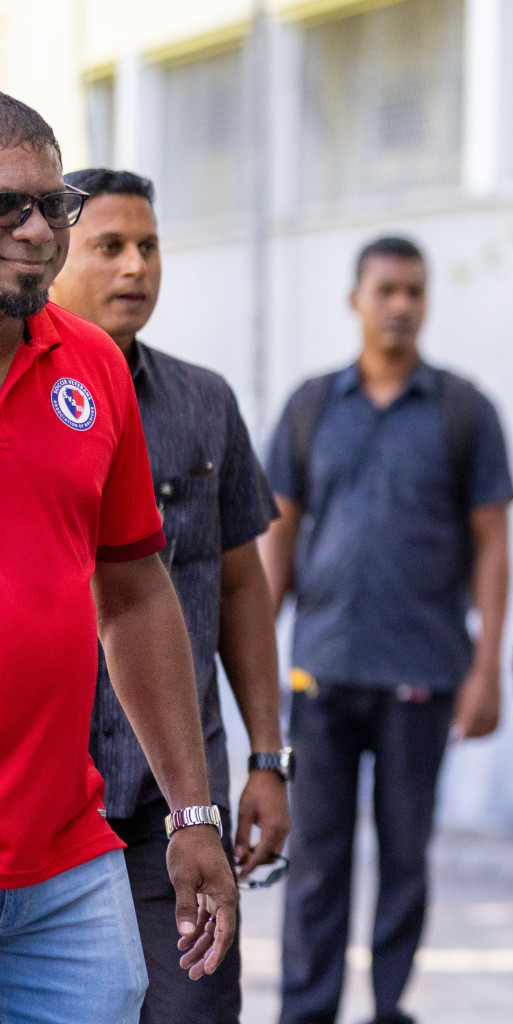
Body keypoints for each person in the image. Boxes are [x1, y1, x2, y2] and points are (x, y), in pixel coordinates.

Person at [0, 92, 237, 1022]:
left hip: (67, 858)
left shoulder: (94, 366)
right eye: (4, 207)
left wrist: (193, 814)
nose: (35, 231)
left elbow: (135, 594)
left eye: (50, 205)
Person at [48, 166, 290, 1024]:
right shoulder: (29, 403)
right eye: (109, 246)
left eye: (149, 247)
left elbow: (239, 583)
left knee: (193, 1005)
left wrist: (269, 758)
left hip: (173, 800)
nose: (136, 268)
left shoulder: (202, 402)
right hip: (46, 794)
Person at [260, 236, 513, 1024]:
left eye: (414, 291)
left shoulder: (463, 410)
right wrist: (253, 659)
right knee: (315, 862)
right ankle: (308, 1009)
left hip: (422, 673)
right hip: (322, 672)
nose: (401, 306)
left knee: (406, 858)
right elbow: (278, 541)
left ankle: (390, 1008)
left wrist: (485, 669)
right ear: (356, 299)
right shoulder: (309, 406)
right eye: (386, 291)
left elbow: (493, 546)